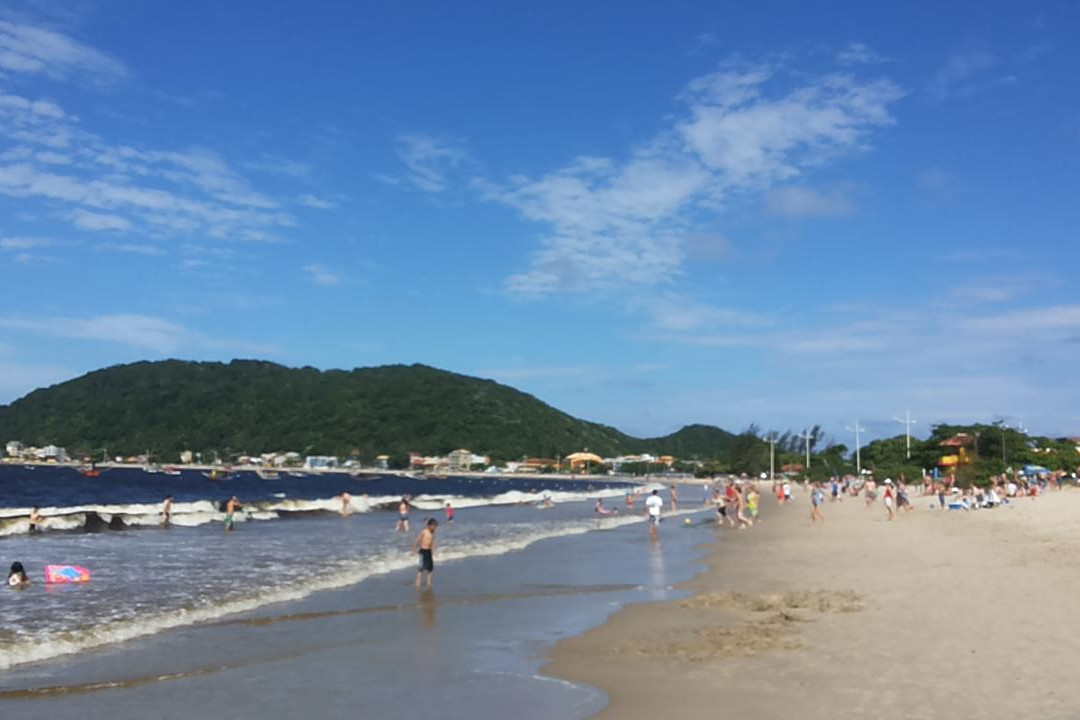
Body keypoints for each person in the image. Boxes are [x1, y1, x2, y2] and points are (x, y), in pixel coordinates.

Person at [413, 518, 438, 589]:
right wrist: (414, 548)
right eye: (434, 526)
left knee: (430, 569)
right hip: (423, 551)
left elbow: (433, 542)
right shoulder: (424, 532)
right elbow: (417, 540)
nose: (434, 528)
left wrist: (435, 550)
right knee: (421, 568)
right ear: (429, 526)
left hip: (429, 551)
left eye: (435, 527)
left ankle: (429, 583)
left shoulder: (433, 533)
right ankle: (418, 584)